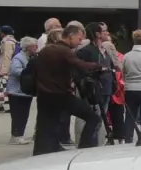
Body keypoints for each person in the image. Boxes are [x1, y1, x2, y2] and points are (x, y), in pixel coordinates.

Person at [32, 24, 94, 155]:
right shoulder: (64, 51)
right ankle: (84, 148)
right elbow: (80, 65)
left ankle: (42, 152)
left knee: (46, 125)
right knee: (92, 117)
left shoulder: (44, 51)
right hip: (60, 94)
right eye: (79, 38)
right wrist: (99, 66)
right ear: (70, 36)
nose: (80, 42)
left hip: (44, 94)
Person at [7, 37, 37, 145]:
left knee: (25, 114)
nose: (36, 48)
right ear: (28, 47)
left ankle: (20, 134)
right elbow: (15, 70)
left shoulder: (31, 57)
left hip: (25, 91)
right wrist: (29, 73)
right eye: (34, 46)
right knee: (18, 114)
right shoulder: (18, 58)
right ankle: (15, 135)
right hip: (16, 91)